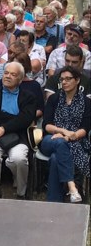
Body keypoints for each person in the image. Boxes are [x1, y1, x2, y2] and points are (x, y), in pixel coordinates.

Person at [0, 62, 37, 199]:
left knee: (19, 159)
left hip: (19, 136)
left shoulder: (29, 97)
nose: (8, 76)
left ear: (20, 79)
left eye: (13, 74)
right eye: (6, 73)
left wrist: (4, 127)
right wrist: (16, 119)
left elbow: (27, 118)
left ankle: (21, 192)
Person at [40, 66, 90, 203]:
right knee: (59, 143)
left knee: (57, 157)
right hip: (50, 139)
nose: (64, 82)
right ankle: (72, 186)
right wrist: (62, 131)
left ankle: (54, 201)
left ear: (77, 80)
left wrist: (68, 137)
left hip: (74, 140)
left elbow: (84, 129)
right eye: (62, 79)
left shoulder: (86, 102)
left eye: (68, 79)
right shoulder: (54, 99)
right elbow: (47, 125)